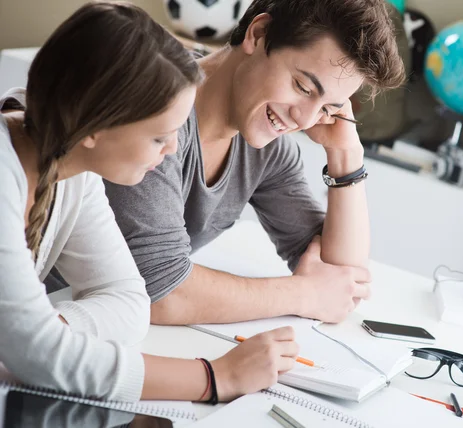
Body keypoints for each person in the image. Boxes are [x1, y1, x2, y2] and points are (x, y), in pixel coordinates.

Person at [0, 1, 297, 403]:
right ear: (95, 125)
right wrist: (213, 377)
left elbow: (128, 300)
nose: (173, 149)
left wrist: (42, 335)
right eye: (160, 137)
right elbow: (38, 355)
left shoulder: (73, 170)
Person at [104, 0, 406, 326]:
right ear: (259, 34)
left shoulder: (268, 151)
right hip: (57, 324)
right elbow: (157, 291)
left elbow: (342, 280)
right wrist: (303, 294)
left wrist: (347, 157)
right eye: (302, 87)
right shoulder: (157, 101)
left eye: (327, 109)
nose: (304, 120)